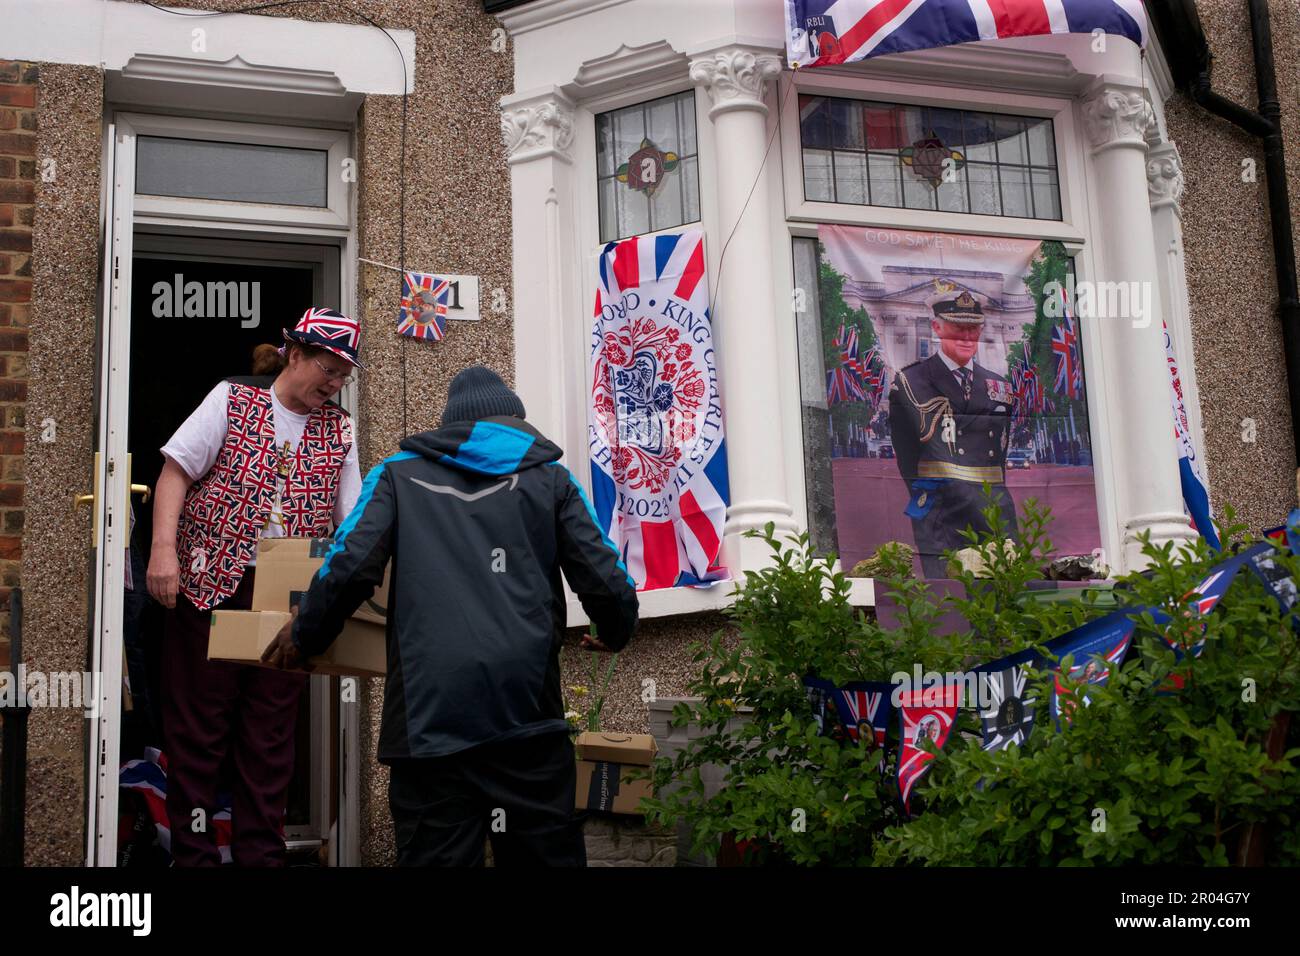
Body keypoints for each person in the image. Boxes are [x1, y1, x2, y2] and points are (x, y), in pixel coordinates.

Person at [263, 365, 639, 867]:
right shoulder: (552, 479)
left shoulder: (396, 474)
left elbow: (348, 565)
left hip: (430, 724)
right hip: (526, 720)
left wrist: (305, 634)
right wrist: (615, 631)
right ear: (513, 423)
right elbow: (607, 578)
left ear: (450, 425)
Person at [146, 306, 364, 866]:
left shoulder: (339, 428)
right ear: (295, 354)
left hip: (287, 599)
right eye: (329, 369)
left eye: (344, 375)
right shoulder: (232, 398)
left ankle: (260, 858)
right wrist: (163, 552)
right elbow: (176, 471)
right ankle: (193, 855)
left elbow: (353, 520)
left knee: (269, 737)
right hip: (212, 584)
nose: (335, 384)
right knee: (199, 729)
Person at [888, 290, 1018, 578]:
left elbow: (1000, 454)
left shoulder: (997, 385)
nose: (966, 337)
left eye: (973, 328)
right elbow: (907, 459)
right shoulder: (910, 382)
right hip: (942, 507)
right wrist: (930, 498)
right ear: (937, 328)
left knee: (1005, 593)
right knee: (950, 599)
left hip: (993, 506)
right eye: (957, 327)